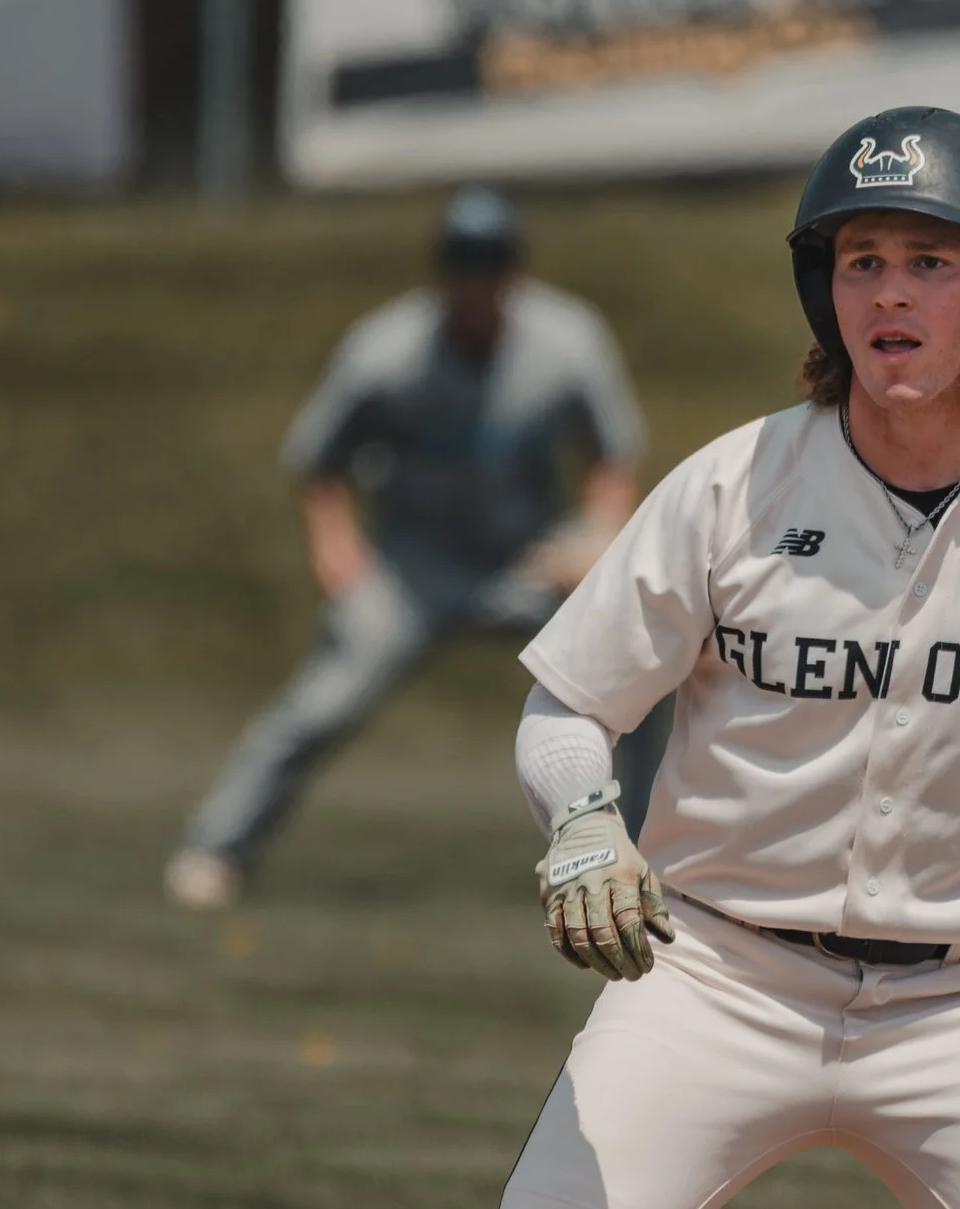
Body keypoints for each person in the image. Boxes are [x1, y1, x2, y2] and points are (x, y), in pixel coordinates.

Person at [338, 106, 960, 1209]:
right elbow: (568, 706)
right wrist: (582, 821)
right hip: (715, 978)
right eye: (858, 258)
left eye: (929, 260)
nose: (886, 292)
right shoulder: (737, 483)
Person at [165, 187, 653, 909]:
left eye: (490, 263)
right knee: (323, 703)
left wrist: (595, 536)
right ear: (441, 271)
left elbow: (612, 457)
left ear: (514, 271)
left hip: (528, 560)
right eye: (463, 263)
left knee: (638, 671)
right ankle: (215, 848)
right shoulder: (387, 349)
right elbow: (319, 463)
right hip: (411, 566)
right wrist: (336, 550)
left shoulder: (567, 339)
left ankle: (641, 857)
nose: (476, 280)